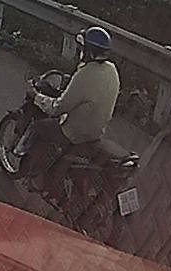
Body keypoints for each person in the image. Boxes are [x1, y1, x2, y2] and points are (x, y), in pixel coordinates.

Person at [19, 26, 120, 186]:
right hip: (97, 131)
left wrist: (37, 97)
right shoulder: (112, 70)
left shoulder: (86, 74)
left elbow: (57, 108)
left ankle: (34, 176)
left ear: (88, 51)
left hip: (75, 133)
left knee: (38, 128)